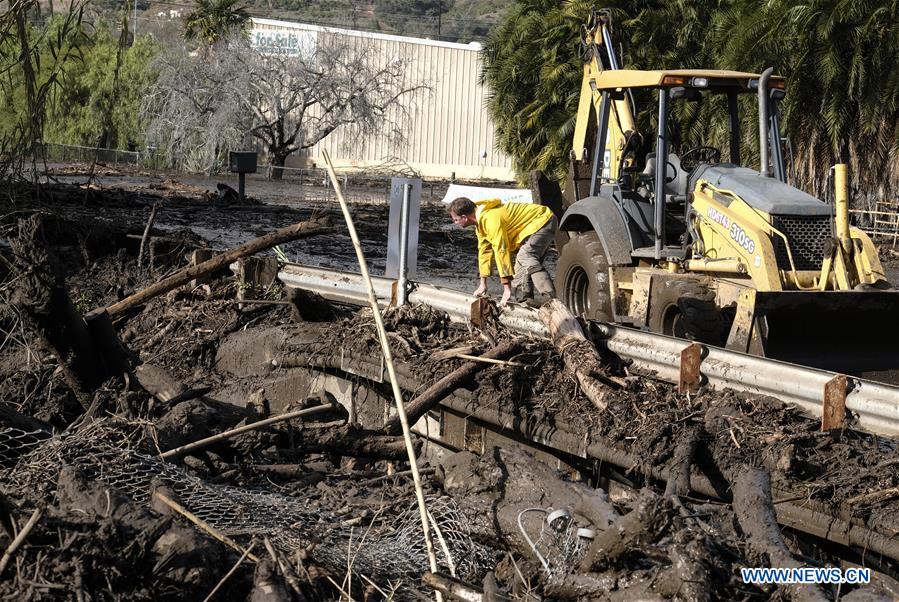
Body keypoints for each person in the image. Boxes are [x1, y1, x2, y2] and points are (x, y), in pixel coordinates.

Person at [448, 196, 558, 305]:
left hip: (543, 220)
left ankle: (549, 296)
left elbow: (501, 250)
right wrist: (483, 284)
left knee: (525, 256)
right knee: (519, 269)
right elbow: (484, 253)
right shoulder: (480, 225)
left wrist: (506, 288)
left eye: (456, 220)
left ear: (464, 217)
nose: (455, 223)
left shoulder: (490, 220)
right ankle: (525, 301)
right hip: (533, 226)